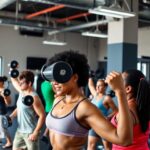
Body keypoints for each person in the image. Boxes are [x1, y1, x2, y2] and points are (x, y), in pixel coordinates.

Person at [45, 50, 133, 150]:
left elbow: (124, 140)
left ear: (75, 77)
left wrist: (120, 92)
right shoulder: (58, 100)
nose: (54, 83)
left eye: (59, 77)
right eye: (53, 78)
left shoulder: (84, 107)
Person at [111, 69, 150, 150]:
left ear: (128, 89)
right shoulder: (144, 107)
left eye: (120, 81)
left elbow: (123, 139)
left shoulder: (128, 111)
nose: (117, 82)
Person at [9, 70, 46, 150]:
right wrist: (11, 116)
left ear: (29, 84)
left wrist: (36, 132)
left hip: (30, 132)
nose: (20, 84)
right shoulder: (22, 92)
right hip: (19, 131)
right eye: (20, 82)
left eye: (22, 83)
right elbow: (19, 108)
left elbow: (42, 116)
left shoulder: (34, 98)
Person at [87, 78, 118, 150]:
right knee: (90, 146)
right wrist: (90, 76)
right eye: (97, 85)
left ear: (105, 87)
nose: (97, 87)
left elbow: (116, 110)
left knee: (107, 147)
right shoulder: (95, 95)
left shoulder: (107, 98)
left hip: (103, 125)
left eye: (100, 86)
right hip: (93, 124)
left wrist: (108, 117)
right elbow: (90, 85)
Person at [40, 81, 55, 146]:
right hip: (53, 108)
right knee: (53, 129)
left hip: (47, 108)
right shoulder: (52, 85)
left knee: (51, 126)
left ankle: (45, 135)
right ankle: (47, 137)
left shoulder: (42, 84)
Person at [0, 76, 12, 149]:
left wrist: (4, 97)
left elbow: (9, 103)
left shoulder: (4, 91)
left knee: (4, 128)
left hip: (1, 111)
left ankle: (9, 142)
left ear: (1, 82)